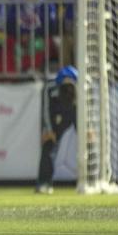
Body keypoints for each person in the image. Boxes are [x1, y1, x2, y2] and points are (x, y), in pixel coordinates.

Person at [36, 66, 78, 194]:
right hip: (57, 115)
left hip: (76, 111)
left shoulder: (83, 86)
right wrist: (49, 129)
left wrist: (89, 127)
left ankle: (93, 179)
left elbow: (88, 108)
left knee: (89, 142)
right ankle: (44, 183)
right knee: (48, 144)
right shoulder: (49, 87)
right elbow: (46, 109)